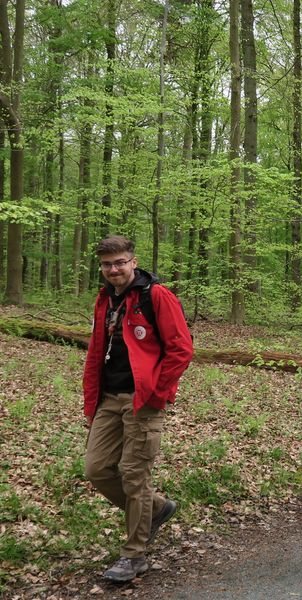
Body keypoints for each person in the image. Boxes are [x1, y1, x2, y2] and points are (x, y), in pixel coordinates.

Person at [83, 236, 194, 583]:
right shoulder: (105, 299)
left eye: (119, 262)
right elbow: (95, 351)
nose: (113, 269)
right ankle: (157, 508)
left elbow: (181, 349)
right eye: (106, 264)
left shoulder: (157, 296)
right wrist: (91, 401)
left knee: (135, 476)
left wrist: (156, 394)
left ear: (133, 261)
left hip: (142, 400)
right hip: (109, 399)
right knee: (97, 470)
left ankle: (134, 555)